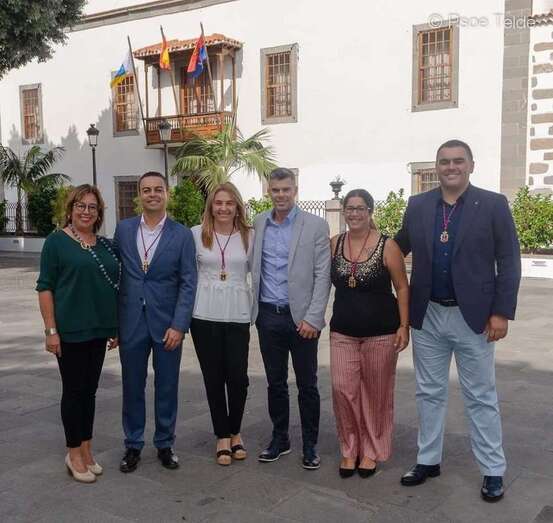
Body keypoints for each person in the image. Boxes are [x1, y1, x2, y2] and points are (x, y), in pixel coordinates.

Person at [395, 140, 521, 502]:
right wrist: (355, 243)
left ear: (471, 165)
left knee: (480, 395)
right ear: (436, 167)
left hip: (474, 317)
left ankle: (493, 469)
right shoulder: (418, 205)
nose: (451, 167)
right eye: (444, 162)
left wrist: (501, 312)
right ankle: (428, 460)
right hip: (429, 315)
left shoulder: (493, 204)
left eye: (458, 161)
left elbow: (509, 260)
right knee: (428, 392)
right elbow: (397, 247)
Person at [114, 171, 197, 473]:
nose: (152, 194)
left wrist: (179, 325)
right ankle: (133, 444)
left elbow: (188, 282)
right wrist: (113, 324)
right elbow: (115, 274)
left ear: (167, 194)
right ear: (139, 195)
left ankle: (165, 443)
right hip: (131, 322)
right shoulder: (124, 230)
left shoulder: (182, 234)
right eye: (146, 190)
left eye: (158, 189)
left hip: (167, 325)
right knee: (132, 386)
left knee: (167, 386)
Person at [37, 184, 119, 483]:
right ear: (71, 209)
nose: (86, 211)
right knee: (73, 392)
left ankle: (86, 449)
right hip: (70, 330)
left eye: (92, 207)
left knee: (90, 391)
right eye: (80, 206)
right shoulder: (56, 242)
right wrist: (51, 330)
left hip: (99, 329)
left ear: (99, 213)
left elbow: (111, 286)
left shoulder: (104, 245)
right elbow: (45, 287)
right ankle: (73, 453)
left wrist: (114, 326)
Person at [251, 167, 331, 470]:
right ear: (268, 192)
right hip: (268, 315)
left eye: (286, 189)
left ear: (295, 190)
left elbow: (323, 275)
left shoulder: (315, 225)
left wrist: (314, 318)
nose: (281, 195)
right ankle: (280, 438)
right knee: (275, 383)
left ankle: (310, 444)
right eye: (275, 190)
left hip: (302, 320)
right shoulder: (259, 222)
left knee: (307, 384)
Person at [329, 189, 409, 478]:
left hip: (381, 333)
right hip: (343, 332)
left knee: (376, 394)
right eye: (350, 208)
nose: (354, 213)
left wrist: (404, 326)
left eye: (360, 208)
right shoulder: (335, 243)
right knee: (342, 390)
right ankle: (350, 448)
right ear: (344, 212)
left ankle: (371, 451)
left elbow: (402, 287)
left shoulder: (387, 246)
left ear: (370, 211)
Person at [190, 182, 254, 466]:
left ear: (237, 206)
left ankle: (235, 430)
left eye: (229, 203)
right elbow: (188, 274)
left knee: (238, 378)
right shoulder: (196, 234)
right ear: (211, 206)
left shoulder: (250, 235)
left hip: (238, 312)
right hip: (204, 313)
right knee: (213, 378)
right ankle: (222, 436)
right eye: (219, 203)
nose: (224, 208)